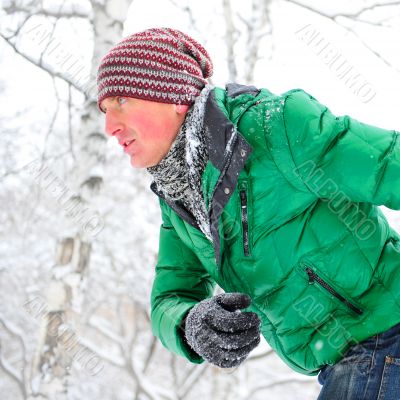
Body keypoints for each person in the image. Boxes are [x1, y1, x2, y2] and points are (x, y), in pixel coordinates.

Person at [97, 27, 400, 399]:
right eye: (104, 110)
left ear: (174, 95)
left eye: (121, 101)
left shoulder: (275, 127)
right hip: (344, 360)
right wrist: (191, 323)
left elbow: (388, 164)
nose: (110, 126)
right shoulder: (178, 199)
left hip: (386, 334)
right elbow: (170, 297)